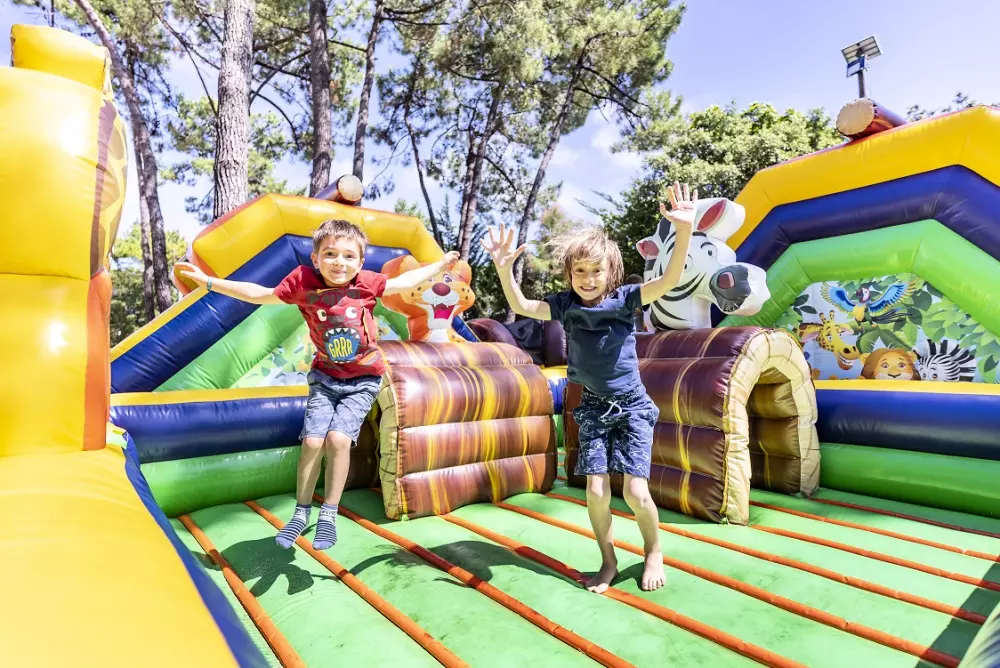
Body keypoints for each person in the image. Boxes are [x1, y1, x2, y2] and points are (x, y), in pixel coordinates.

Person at [178, 219, 460, 550]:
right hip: (325, 378)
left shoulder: (366, 284)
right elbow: (260, 294)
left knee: (339, 440)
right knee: (313, 442)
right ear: (315, 258)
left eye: (348, 256)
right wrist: (211, 283)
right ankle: (301, 512)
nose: (339, 263)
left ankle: (328, 512)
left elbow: (402, 283)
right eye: (330, 254)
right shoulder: (303, 283)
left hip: (364, 377)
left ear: (360, 260)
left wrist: (439, 264)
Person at [481, 182, 696, 593]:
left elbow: (669, 280)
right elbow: (525, 307)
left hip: (631, 407)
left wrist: (683, 230)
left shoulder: (626, 298)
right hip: (594, 407)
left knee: (634, 490)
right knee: (596, 491)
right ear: (569, 275)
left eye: (596, 270)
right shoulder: (566, 305)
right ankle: (608, 561)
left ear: (610, 272)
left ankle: (653, 550)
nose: (587, 278)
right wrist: (505, 270)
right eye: (579, 271)